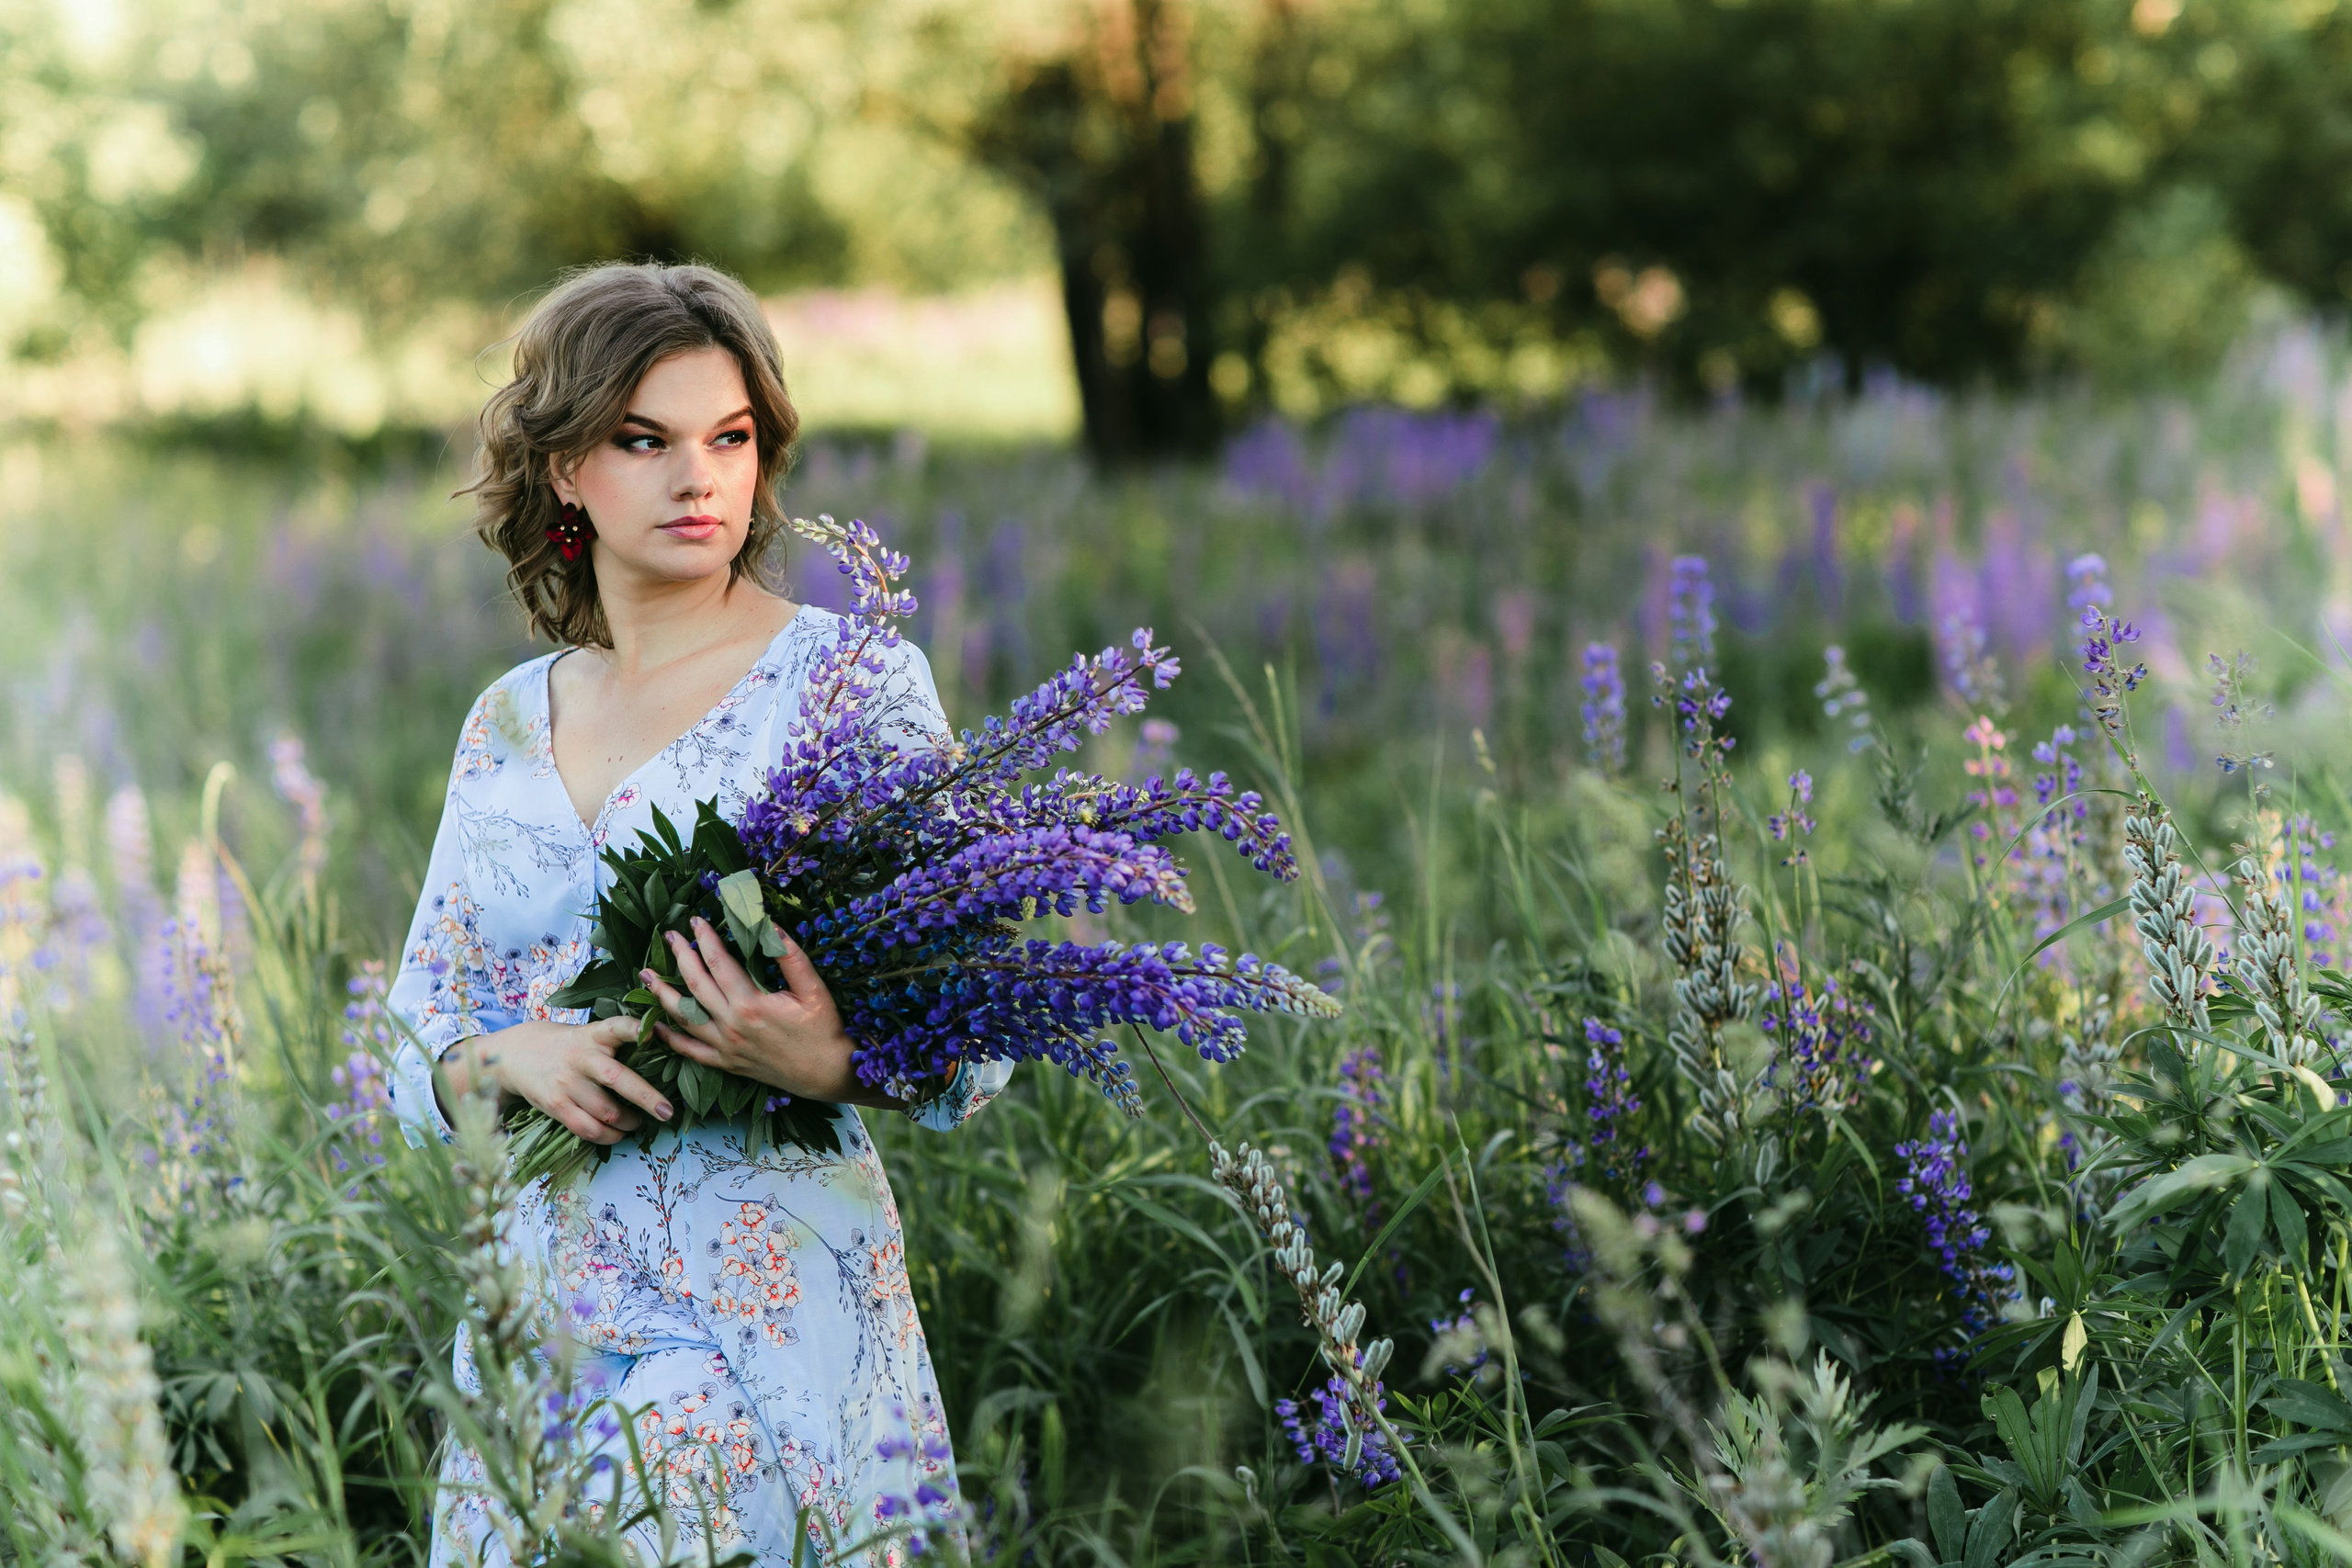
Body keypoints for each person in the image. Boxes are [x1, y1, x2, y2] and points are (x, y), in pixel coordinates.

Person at [383, 261, 1008, 1565]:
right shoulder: (505, 721)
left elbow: (979, 1013)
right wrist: (500, 1059)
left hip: (765, 1297)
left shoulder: (848, 685)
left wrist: (828, 1058)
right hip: (537, 1305)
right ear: (564, 469)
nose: (698, 478)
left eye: (729, 438)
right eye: (643, 440)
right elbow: (418, 1027)